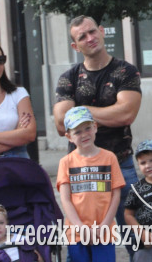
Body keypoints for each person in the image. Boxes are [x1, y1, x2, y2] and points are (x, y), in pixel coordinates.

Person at [53, 16, 142, 229]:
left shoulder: (126, 72)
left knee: (138, 237)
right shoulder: (69, 78)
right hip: (80, 171)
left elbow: (126, 115)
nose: (90, 38)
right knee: (85, 237)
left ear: (102, 31)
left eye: (92, 31)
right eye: (82, 36)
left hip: (120, 164)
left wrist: (79, 114)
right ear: (75, 46)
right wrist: (107, 115)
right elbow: (61, 124)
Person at [57, 106, 125, 262]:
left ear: (95, 127)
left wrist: (105, 225)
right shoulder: (65, 162)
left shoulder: (110, 158)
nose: (84, 134)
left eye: (87, 128)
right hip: (76, 234)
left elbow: (116, 194)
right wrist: (80, 227)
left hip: (104, 232)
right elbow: (65, 200)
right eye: (77, 132)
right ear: (69, 137)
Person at [0, 42, 36, 159]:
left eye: (0, 60)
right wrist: (16, 135)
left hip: (18, 163)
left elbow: (29, 134)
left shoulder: (18, 93)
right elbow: (23, 136)